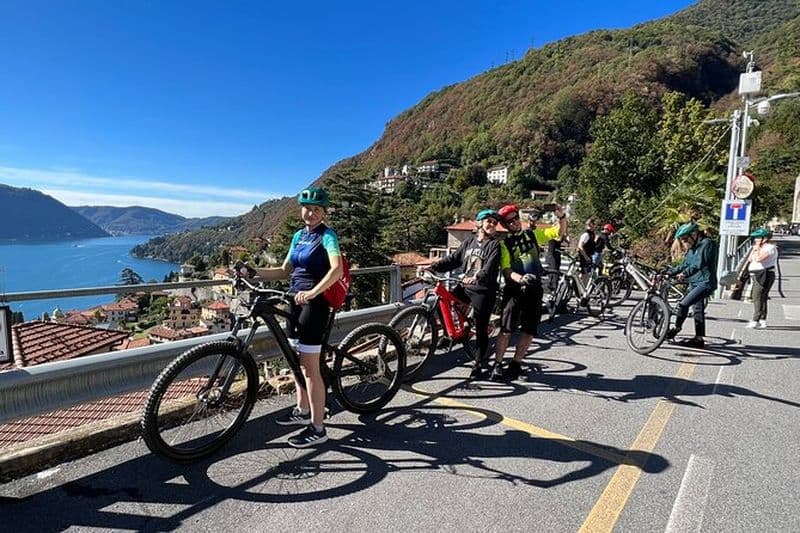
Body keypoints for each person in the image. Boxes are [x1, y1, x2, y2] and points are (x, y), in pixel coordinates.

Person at [251, 187, 342, 448]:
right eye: (307, 208)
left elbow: (336, 270)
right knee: (295, 361)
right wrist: (251, 272)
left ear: (324, 213)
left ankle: (318, 427)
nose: (310, 213)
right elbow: (284, 270)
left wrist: (313, 292)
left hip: (316, 303)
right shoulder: (298, 236)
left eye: (316, 210)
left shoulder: (327, 236)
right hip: (294, 300)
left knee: (310, 368)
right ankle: (302, 411)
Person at [492, 203, 567, 381]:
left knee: (529, 330)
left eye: (516, 218)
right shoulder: (504, 244)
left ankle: (516, 364)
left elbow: (558, 232)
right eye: (509, 221)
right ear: (505, 225)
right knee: (506, 329)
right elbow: (506, 269)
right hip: (514, 290)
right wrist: (520, 278)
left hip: (534, 289)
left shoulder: (532, 235)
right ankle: (497, 364)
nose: (514, 222)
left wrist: (562, 216)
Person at [424, 209, 501, 379]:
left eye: (495, 223)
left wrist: (476, 277)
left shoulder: (494, 245)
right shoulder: (469, 242)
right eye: (489, 221)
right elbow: (453, 260)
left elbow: (490, 267)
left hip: (483, 289)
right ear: (479, 223)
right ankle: (452, 333)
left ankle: (479, 363)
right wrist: (433, 267)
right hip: (465, 286)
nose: (492, 225)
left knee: (481, 327)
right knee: (444, 300)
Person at [666, 221, 717, 348]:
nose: (683, 242)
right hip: (694, 282)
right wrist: (670, 272)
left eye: (684, 239)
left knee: (683, 304)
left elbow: (700, 263)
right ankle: (699, 339)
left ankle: (676, 328)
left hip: (705, 282)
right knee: (697, 310)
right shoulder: (692, 248)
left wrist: (685, 274)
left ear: (694, 234)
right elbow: (685, 264)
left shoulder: (707, 244)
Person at [745, 228, 778, 329]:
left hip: (764, 274)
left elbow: (760, 259)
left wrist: (758, 249)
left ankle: (756, 320)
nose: (756, 239)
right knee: (761, 297)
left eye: (758, 237)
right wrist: (755, 250)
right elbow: (750, 259)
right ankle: (762, 319)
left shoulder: (769, 247)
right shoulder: (758, 247)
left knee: (757, 296)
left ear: (764, 239)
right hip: (757, 273)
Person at [577, 218, 596, 284]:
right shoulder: (586, 235)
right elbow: (580, 246)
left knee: (586, 275)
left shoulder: (591, 234)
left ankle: (582, 291)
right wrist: (586, 257)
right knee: (584, 275)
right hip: (584, 258)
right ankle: (580, 291)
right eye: (591, 224)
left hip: (588, 256)